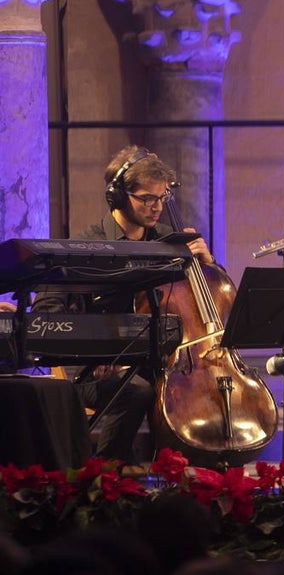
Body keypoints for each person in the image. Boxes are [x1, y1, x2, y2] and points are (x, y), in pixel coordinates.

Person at [31, 146, 215, 464]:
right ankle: (104, 478)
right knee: (137, 391)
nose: (156, 207)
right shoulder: (83, 247)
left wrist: (208, 267)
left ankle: (189, 484)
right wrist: (93, 351)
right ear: (117, 196)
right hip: (92, 366)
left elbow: (207, 305)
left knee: (196, 393)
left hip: (160, 361)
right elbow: (46, 312)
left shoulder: (170, 245)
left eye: (162, 198)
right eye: (147, 198)